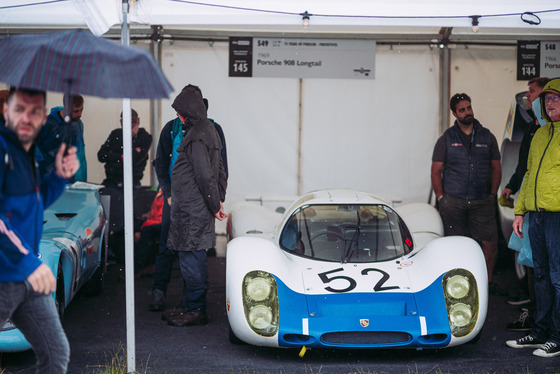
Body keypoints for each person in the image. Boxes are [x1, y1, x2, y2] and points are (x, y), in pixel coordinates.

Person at [0, 87, 80, 373]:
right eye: (20, 109)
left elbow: (33, 206)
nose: (27, 117)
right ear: (6, 111)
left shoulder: (26, 154)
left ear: (44, 117)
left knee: (55, 355)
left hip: (25, 278)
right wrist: (26, 262)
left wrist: (59, 176)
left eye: (35, 111)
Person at [150, 86, 228, 312]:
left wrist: (217, 199)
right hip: (175, 199)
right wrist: (169, 194)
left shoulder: (211, 131)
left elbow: (217, 168)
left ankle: (191, 304)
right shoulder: (171, 129)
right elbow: (161, 164)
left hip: (197, 203)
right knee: (169, 245)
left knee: (192, 249)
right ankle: (159, 291)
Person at [506, 78, 560, 358]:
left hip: (557, 216)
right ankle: (540, 333)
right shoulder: (540, 133)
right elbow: (528, 175)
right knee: (540, 276)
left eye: (555, 98)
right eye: (546, 99)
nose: (549, 103)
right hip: (537, 215)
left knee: (556, 277)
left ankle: (557, 337)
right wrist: (519, 211)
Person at [431, 93, 502, 288]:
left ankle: (486, 284)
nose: (467, 112)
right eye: (462, 110)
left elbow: (496, 167)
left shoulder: (487, 136)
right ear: (454, 113)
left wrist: (492, 194)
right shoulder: (446, 139)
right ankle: (458, 285)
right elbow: (436, 170)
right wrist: (441, 197)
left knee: (490, 243)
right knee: (455, 244)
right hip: (453, 201)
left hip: (482, 200)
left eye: (469, 107)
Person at [501, 77, 550, 331]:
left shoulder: (550, 130)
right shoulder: (534, 129)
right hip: (531, 207)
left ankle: (545, 320)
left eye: (532, 92)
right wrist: (513, 189)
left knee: (546, 266)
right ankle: (535, 316)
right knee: (532, 262)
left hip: (550, 210)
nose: (527, 96)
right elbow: (527, 169)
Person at [97, 109, 152, 265]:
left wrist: (115, 156)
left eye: (131, 124)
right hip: (113, 183)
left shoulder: (144, 137)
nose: (127, 127)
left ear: (137, 122)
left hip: (132, 184)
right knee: (109, 217)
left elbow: (134, 160)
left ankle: (131, 259)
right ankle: (111, 254)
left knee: (131, 220)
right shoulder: (115, 134)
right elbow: (101, 155)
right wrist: (121, 156)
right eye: (124, 123)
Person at [36, 94, 87, 183]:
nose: (80, 114)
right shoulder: (47, 123)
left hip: (70, 178)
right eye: (76, 111)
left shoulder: (78, 124)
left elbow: (80, 153)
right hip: (49, 177)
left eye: (81, 110)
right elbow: (36, 150)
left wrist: (81, 181)